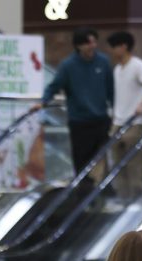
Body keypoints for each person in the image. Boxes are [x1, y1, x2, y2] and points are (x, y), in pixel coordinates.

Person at [41, 28, 114, 174]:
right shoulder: (68, 65)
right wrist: (43, 102)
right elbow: (54, 86)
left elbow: (110, 89)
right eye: (88, 43)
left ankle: (101, 188)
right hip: (79, 121)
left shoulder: (103, 62)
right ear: (78, 46)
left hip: (101, 119)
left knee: (101, 158)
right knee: (81, 160)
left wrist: (114, 110)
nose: (92, 46)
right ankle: (83, 190)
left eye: (94, 42)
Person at [106, 31, 142, 196]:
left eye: (114, 47)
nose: (111, 51)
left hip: (135, 120)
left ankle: (136, 193)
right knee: (116, 160)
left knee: (133, 159)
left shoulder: (138, 65)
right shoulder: (117, 69)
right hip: (118, 119)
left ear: (123, 46)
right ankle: (122, 194)